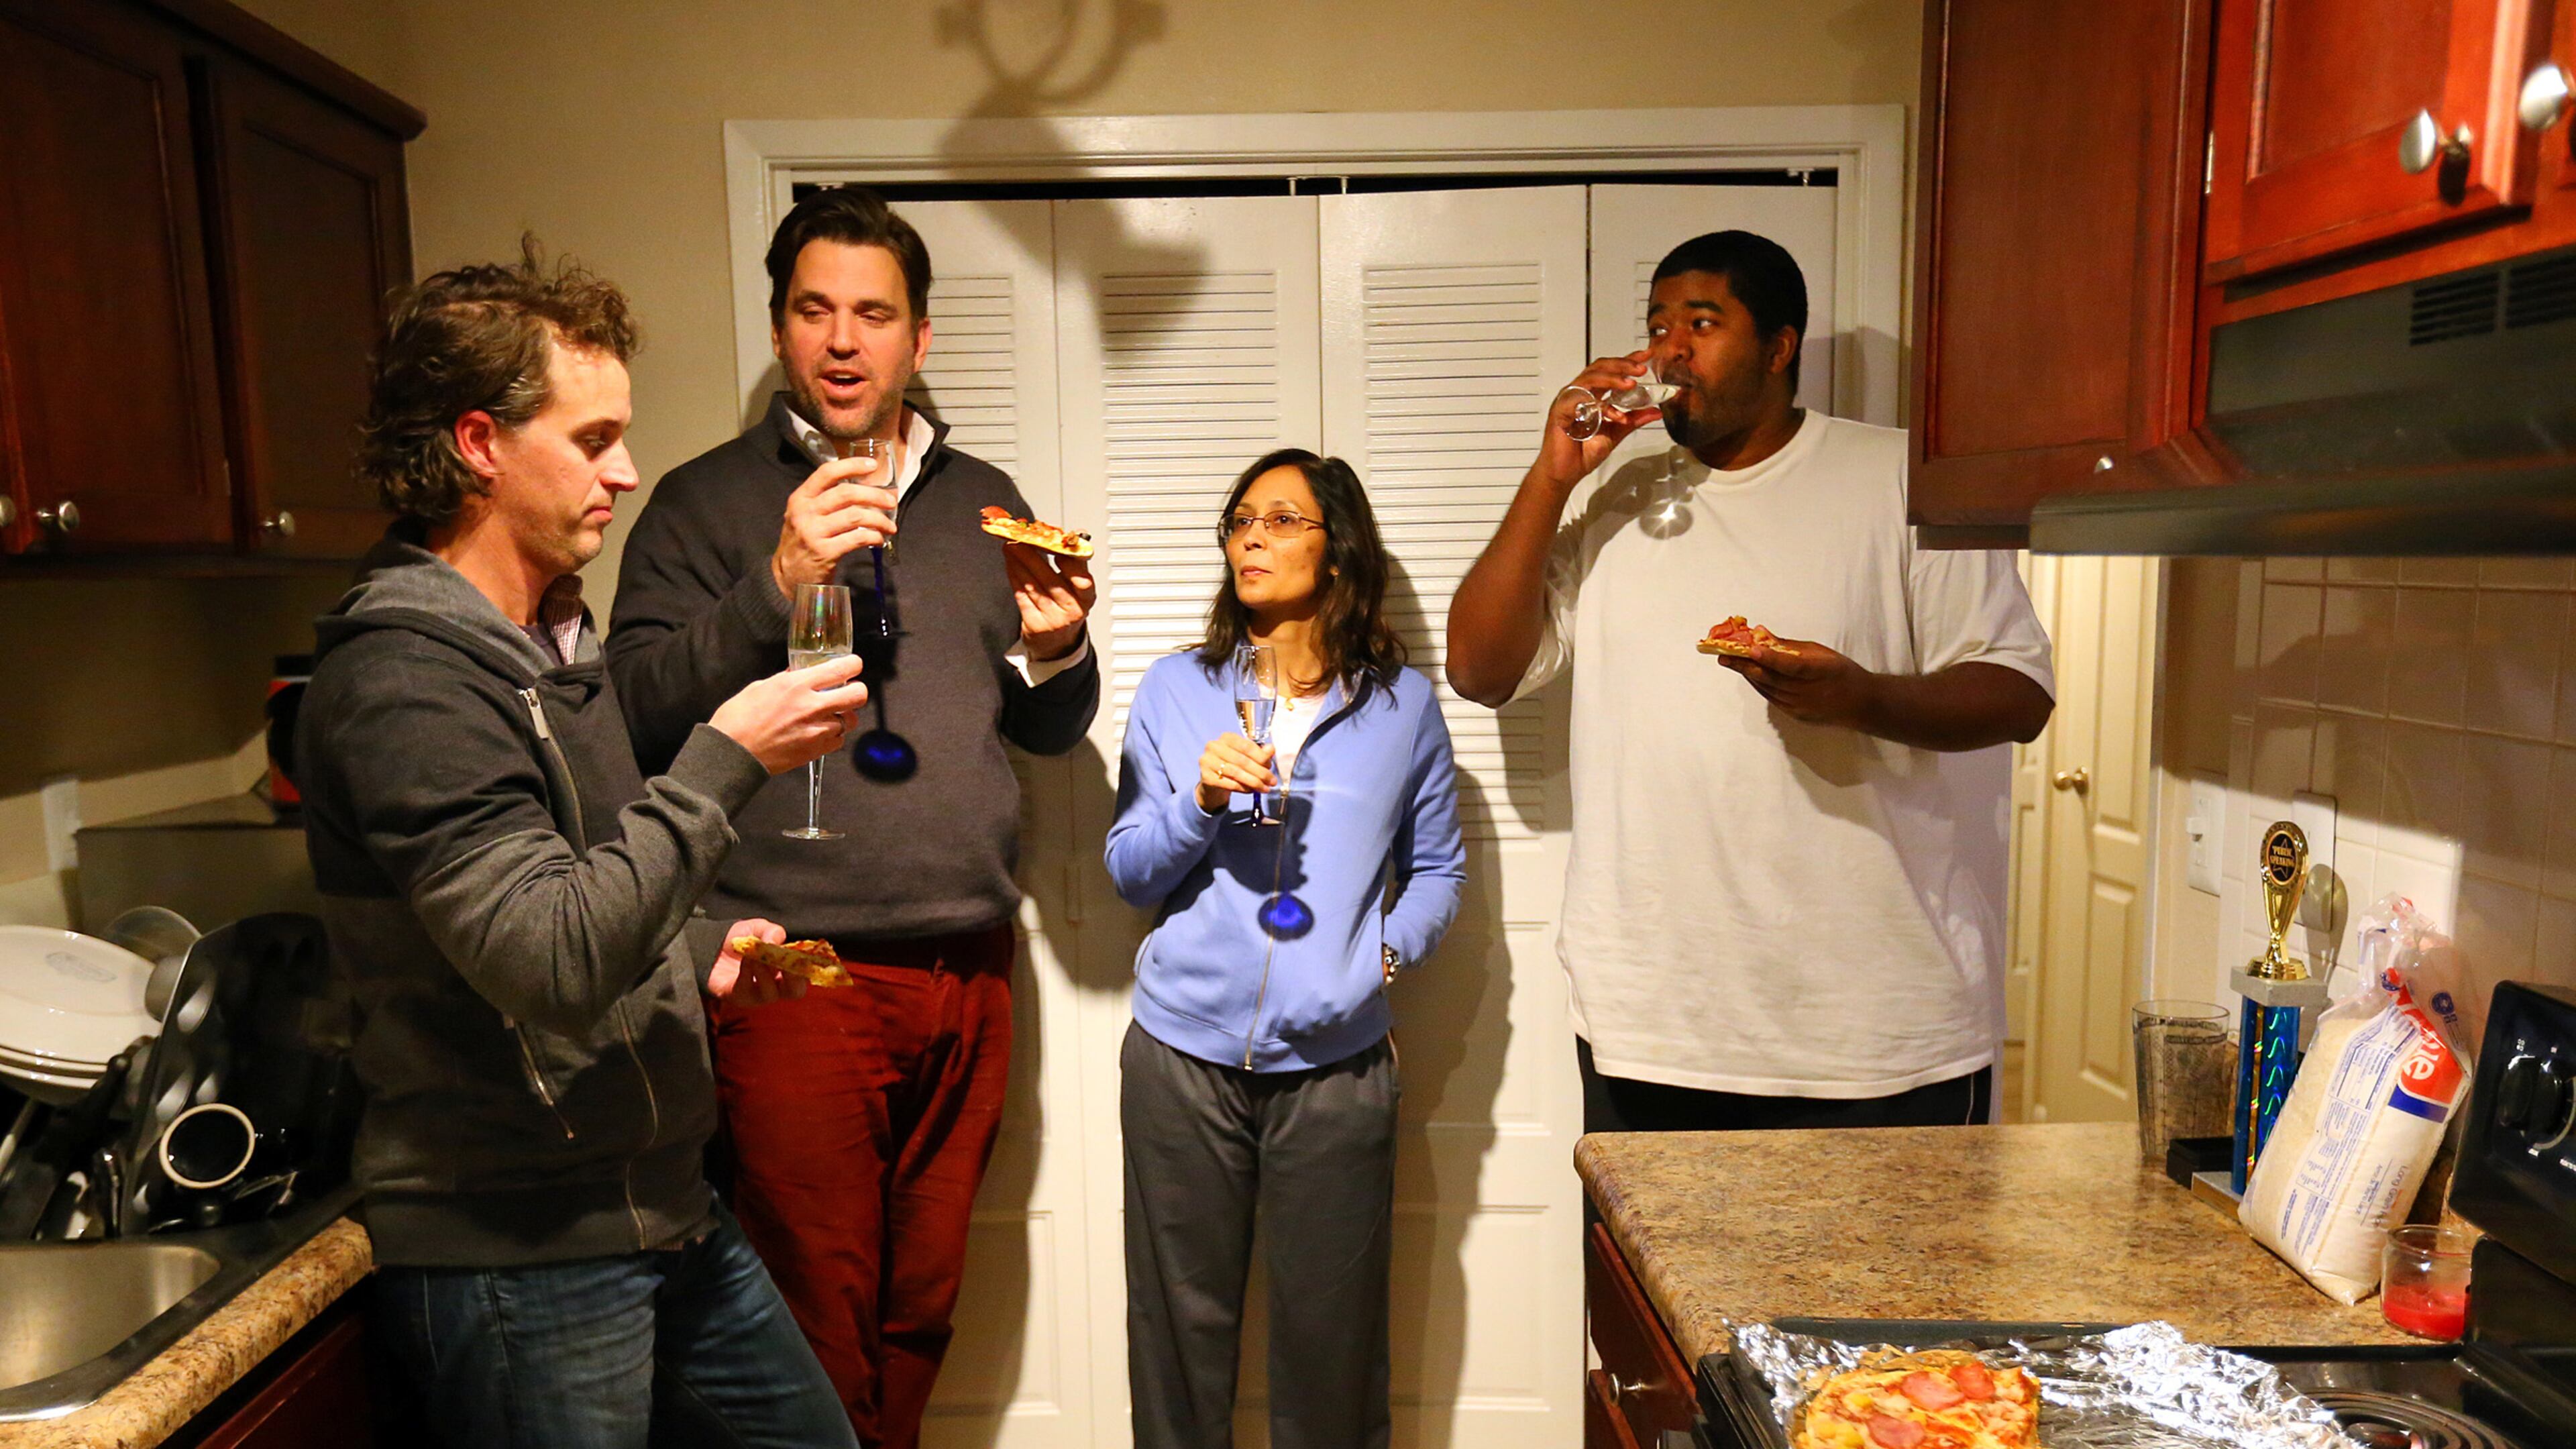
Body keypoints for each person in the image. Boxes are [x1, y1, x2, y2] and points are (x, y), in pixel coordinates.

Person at [296, 244, 869, 1446]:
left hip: (657, 1205)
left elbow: (580, 883)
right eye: (594, 439)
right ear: (480, 444)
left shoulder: (556, 636)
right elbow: (549, 960)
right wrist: (728, 755)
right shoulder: (405, 679)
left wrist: (697, 948)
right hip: (520, 1249)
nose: (627, 470)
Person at [604, 185, 1099, 1448]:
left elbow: (1041, 730)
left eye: (873, 314)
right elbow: (635, 715)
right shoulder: (703, 502)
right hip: (793, 962)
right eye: (815, 311)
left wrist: (1061, 650)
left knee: (921, 1305)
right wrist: (774, 583)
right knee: (809, 1303)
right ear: (779, 329)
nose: (842, 341)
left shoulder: (987, 499)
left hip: (969, 962)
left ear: (917, 338)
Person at [1446, 229, 2055, 1133]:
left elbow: (2018, 691)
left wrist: (1862, 698)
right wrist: (1552, 477)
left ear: (1779, 347)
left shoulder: (1900, 478)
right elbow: (1479, 670)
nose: (1670, 351)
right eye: (1657, 326)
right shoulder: (1620, 501)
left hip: (1877, 1033)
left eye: (1702, 323)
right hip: (1651, 1023)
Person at [1106, 448, 1466, 1449]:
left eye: (1281, 520)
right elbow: (1130, 871)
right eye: (1239, 522)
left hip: (1336, 1069)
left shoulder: (1402, 706)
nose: (1251, 539)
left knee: (1331, 1354)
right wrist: (1199, 801)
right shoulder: (1176, 688)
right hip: (1180, 1060)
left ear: (1337, 550)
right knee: (1178, 1349)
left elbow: (1439, 871)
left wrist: (1377, 961)